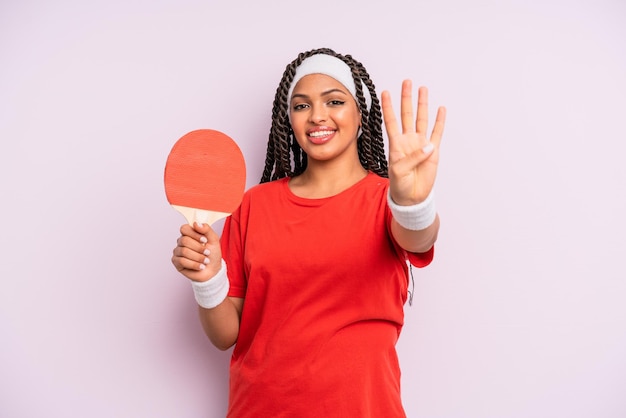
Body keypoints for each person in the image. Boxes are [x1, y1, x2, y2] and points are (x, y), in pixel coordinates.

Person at [171, 47, 446, 418]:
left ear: (360, 114)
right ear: (288, 120)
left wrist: (413, 203)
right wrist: (207, 281)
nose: (317, 116)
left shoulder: (387, 200)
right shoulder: (253, 206)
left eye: (334, 101)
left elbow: (419, 238)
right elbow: (225, 336)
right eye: (301, 106)